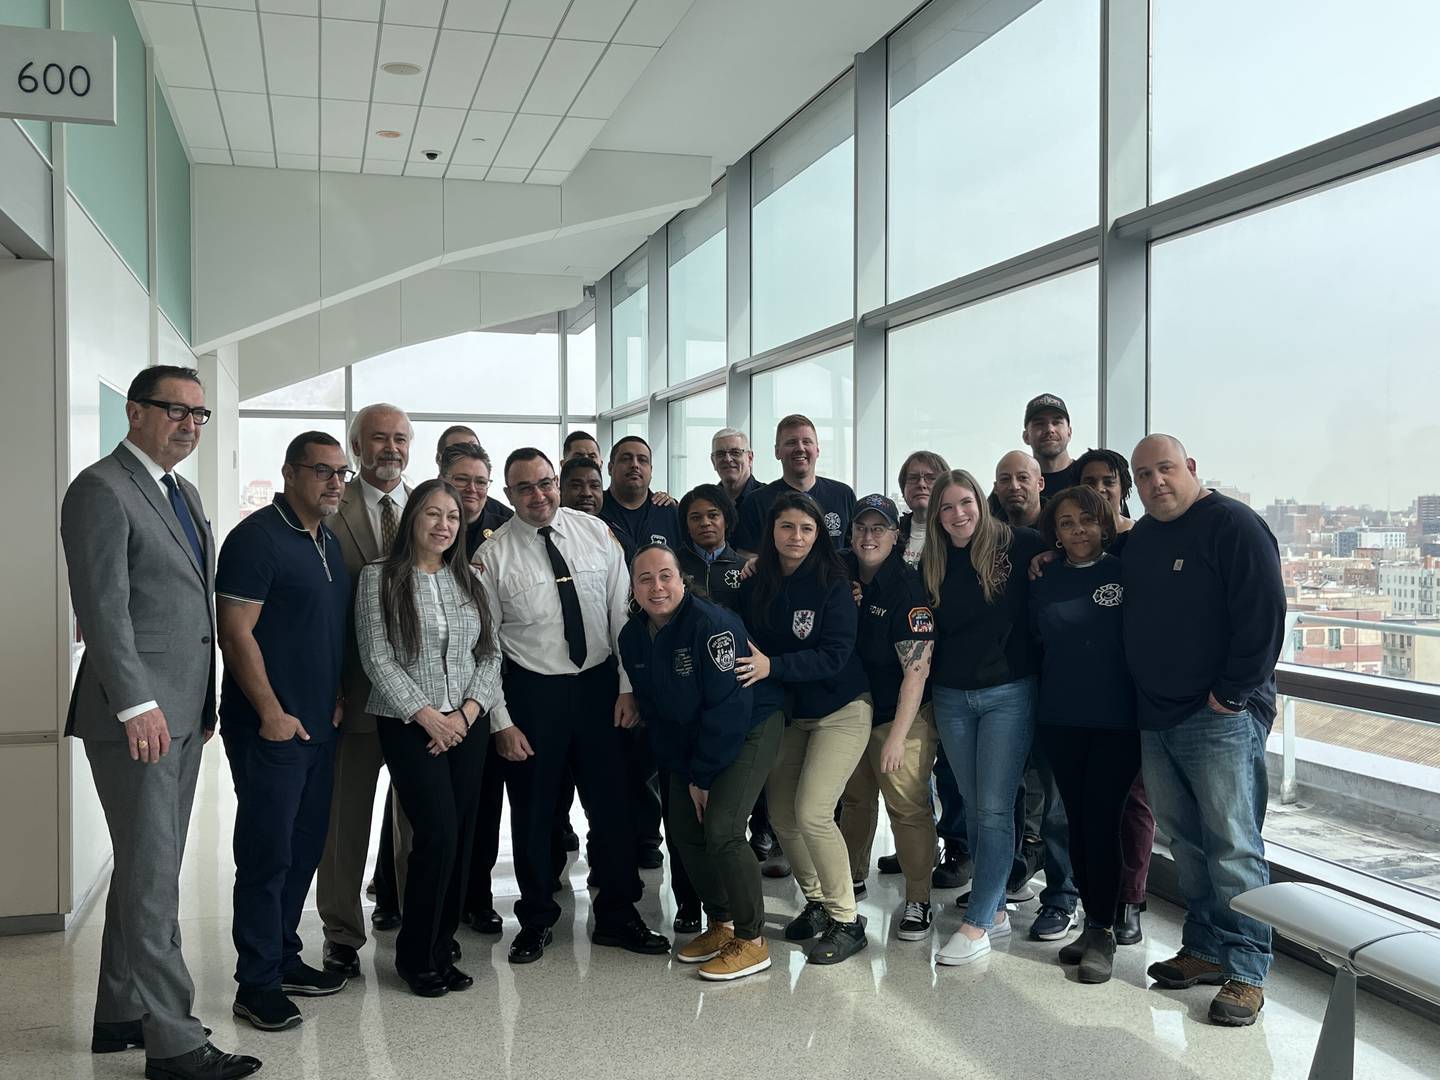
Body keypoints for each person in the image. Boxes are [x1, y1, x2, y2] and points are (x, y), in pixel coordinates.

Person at [61, 365, 260, 1080]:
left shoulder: (183, 492)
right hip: (135, 715)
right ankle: (174, 1043)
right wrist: (137, 703)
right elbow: (104, 610)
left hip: (179, 709)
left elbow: (184, 612)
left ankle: (121, 1014)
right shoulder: (100, 489)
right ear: (135, 413)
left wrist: (198, 704)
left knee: (151, 869)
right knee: (152, 880)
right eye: (176, 410)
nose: (190, 424)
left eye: (200, 414)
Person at [477, 449, 670, 964]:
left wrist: (627, 686)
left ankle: (617, 913)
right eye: (524, 488)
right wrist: (502, 721)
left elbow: (619, 615)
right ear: (508, 494)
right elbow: (488, 646)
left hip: (599, 689)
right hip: (532, 693)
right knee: (536, 812)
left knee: (613, 804)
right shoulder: (492, 558)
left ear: (557, 481)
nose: (538, 495)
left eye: (545, 483)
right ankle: (537, 917)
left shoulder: (595, 533)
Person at [1123, 435, 1286, 1026]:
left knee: (1234, 844)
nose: (1156, 482)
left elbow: (1264, 615)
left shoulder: (1235, 526)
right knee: (1185, 841)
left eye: (1165, 469)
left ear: (1190, 468)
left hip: (1218, 716)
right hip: (1156, 715)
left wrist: (1231, 694)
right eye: (1143, 475)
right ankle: (1206, 948)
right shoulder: (1141, 539)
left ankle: (1248, 969)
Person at [215, 432, 352, 1030]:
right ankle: (257, 982)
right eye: (322, 472)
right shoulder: (256, 539)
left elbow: (324, 629)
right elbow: (235, 632)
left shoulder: (327, 541)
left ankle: (286, 956)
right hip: (269, 731)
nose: (334, 483)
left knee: (302, 853)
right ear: (290, 473)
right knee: (266, 856)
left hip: (320, 726)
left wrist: (339, 696)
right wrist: (271, 712)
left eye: (340, 473)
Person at [355, 478, 502, 997]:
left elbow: (490, 655)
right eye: (433, 515)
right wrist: (427, 717)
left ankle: (442, 948)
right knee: (435, 833)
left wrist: (464, 714)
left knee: (459, 836)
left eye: (453, 518)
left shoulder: (472, 578)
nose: (443, 526)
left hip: (467, 724)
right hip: (407, 724)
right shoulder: (380, 578)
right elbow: (377, 658)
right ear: (412, 519)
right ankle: (415, 955)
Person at [619, 544, 783, 981]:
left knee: (724, 830)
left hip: (748, 726)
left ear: (681, 579)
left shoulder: (713, 626)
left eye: (666, 576)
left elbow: (728, 710)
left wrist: (704, 777)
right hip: (692, 742)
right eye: (645, 579)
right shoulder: (632, 637)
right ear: (632, 588)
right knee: (684, 831)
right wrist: (685, 776)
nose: (657, 587)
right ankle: (722, 922)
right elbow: (658, 716)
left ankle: (752, 940)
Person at [739, 492, 872, 965]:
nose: (796, 537)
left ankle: (847, 919)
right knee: (782, 814)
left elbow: (834, 654)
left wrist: (772, 665)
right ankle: (816, 901)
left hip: (843, 708)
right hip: (795, 714)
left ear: (819, 535)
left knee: (814, 811)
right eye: (786, 527)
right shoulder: (759, 581)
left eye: (806, 529)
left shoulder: (835, 582)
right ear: (771, 533)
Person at [922, 470, 1048, 966]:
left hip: (1008, 694)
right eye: (947, 507)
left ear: (980, 500)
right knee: (975, 806)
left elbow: (1064, 558)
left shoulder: (1019, 545)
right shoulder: (932, 561)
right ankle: (993, 909)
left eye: (965, 502)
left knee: (994, 809)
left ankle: (977, 925)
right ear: (936, 516)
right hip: (952, 696)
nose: (958, 514)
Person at [317, 403, 412, 978]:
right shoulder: (332, 510)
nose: (391, 448)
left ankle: (410, 919)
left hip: (421, 704)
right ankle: (341, 934)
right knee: (344, 824)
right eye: (378, 438)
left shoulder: (428, 508)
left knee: (417, 823)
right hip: (353, 697)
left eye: (400, 438)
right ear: (356, 446)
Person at [1029, 485, 1137, 984]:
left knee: (1102, 823)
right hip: (1060, 717)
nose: (1078, 530)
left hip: (1116, 722)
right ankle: (1090, 923)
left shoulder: (1125, 572)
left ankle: (1105, 931)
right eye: (1067, 522)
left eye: (1088, 520)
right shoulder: (1044, 576)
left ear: (1106, 523)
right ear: (1055, 531)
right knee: (1074, 822)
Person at [836, 496, 940, 942]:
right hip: (853, 712)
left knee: (906, 804)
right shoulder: (839, 572)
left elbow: (916, 671)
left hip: (903, 712)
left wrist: (897, 739)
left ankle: (918, 896)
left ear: (896, 536)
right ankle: (851, 877)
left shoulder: (907, 586)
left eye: (879, 528)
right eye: (862, 527)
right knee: (856, 801)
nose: (869, 536)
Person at [992, 451, 1079, 941]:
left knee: (1056, 801)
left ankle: (1062, 896)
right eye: (1004, 479)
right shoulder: (989, 536)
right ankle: (1005, 880)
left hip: (1057, 689)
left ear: (1040, 482)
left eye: (1022, 477)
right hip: (1005, 687)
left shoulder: (1060, 536)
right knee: (1006, 794)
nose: (1013, 486)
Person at [1076, 446, 1152, 943]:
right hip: (1086, 694)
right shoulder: (1072, 548)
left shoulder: (1144, 540)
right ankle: (1096, 905)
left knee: (1135, 802)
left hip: (1139, 691)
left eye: (1109, 481)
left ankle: (1131, 901)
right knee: (1090, 806)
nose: (1101, 489)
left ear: (1123, 488)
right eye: (1090, 482)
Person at [890, 451, 970, 891]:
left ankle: (957, 844)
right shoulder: (892, 533)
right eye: (913, 478)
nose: (922, 484)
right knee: (912, 766)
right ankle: (917, 843)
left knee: (951, 768)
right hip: (907, 666)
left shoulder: (956, 534)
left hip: (952, 666)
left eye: (931, 477)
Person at [733, 415, 857, 553]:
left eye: (807, 442)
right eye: (791, 442)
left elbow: (854, 550)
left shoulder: (843, 495)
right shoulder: (756, 502)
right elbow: (747, 557)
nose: (800, 448)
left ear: (817, 450)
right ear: (777, 451)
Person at [599, 435, 682, 563]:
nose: (634, 465)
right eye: (626, 459)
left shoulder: (669, 513)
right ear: (610, 468)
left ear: (651, 470)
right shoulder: (596, 511)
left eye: (642, 460)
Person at [676, 483, 747, 609]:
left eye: (713, 515)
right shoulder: (674, 566)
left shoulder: (745, 568)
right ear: (686, 525)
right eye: (696, 518)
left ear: (726, 521)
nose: (705, 523)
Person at [440, 441, 513, 557]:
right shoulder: (424, 529)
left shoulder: (507, 532)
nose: (472, 489)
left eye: (480, 482)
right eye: (462, 479)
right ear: (442, 481)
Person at [1023, 393, 1082, 494]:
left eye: (1056, 422)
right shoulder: (1016, 485)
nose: (1050, 429)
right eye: (1039, 424)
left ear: (1069, 432)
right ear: (1026, 436)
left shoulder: (1086, 477)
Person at [710, 427, 764, 531]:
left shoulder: (769, 501)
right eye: (720, 454)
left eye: (735, 452)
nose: (727, 459)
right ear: (713, 462)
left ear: (750, 458)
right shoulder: (706, 502)